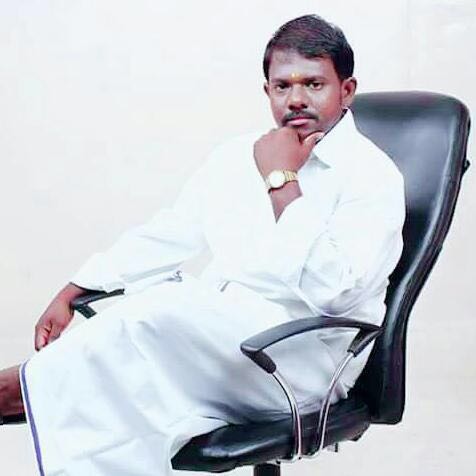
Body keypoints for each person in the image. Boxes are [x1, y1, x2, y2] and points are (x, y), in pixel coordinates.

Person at [0, 14, 405, 476]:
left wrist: (282, 180)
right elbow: (171, 231)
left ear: (346, 90)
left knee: (154, 316)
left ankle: (21, 389)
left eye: (313, 84)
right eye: (281, 86)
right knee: (119, 380)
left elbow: (334, 293)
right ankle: (31, 387)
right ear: (267, 91)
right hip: (217, 344)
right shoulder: (238, 155)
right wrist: (76, 287)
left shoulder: (372, 177)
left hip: (297, 361)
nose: (295, 99)